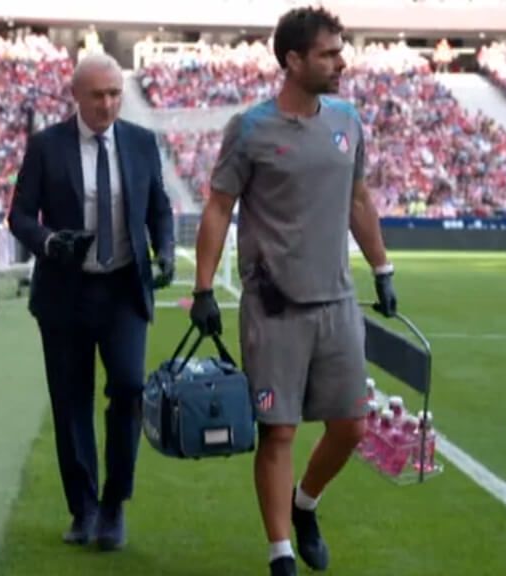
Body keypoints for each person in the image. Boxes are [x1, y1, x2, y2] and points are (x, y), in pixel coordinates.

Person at [189, 8, 397, 576]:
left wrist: (382, 267)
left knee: (352, 425)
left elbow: (358, 201)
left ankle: (305, 504)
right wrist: (203, 288)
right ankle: (280, 553)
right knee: (278, 430)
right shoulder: (250, 129)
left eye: (340, 50)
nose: (341, 61)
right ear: (294, 60)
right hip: (273, 306)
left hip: (337, 301)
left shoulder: (349, 121)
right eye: (329, 53)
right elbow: (219, 205)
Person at [8, 52, 175, 552]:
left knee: (127, 387)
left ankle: (113, 503)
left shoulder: (142, 142)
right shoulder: (46, 146)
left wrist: (164, 250)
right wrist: (49, 242)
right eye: (97, 94)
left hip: (123, 288)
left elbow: (159, 208)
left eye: (114, 94)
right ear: (75, 96)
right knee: (70, 401)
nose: (107, 104)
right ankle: (83, 509)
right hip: (65, 293)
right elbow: (18, 215)